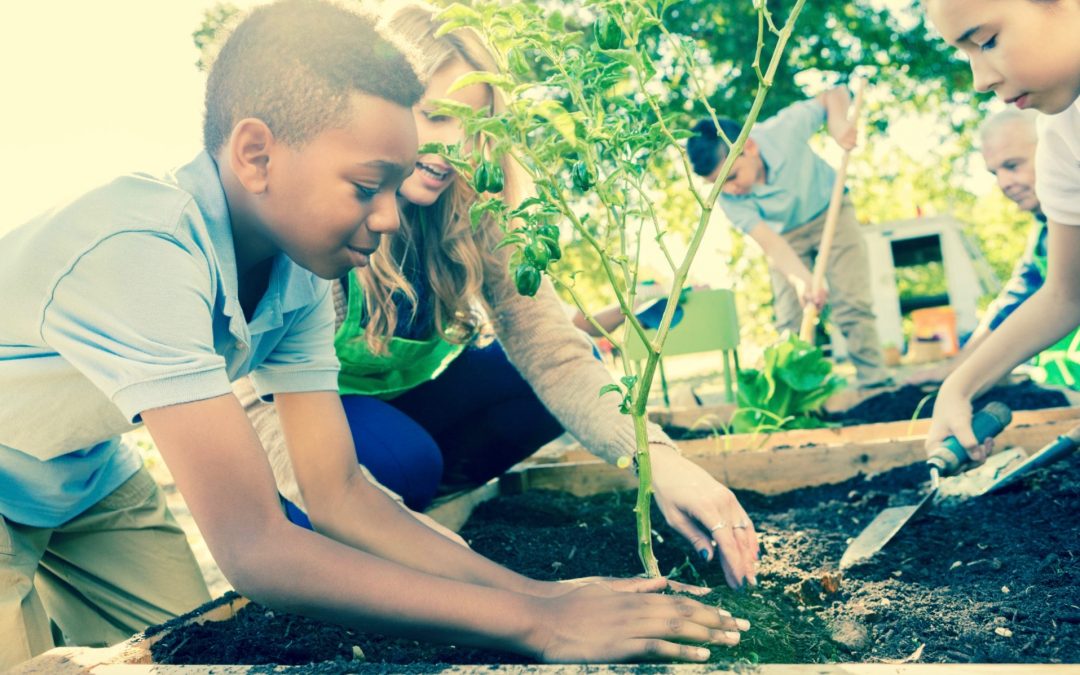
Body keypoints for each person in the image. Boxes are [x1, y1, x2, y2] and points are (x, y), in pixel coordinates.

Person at [0, 1, 748, 669]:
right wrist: (537, 622)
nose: (391, 216)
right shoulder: (142, 248)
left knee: (180, 644)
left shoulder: (296, 276)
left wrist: (542, 593)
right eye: (368, 187)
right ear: (256, 153)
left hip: (87, 474)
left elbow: (342, 493)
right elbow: (257, 547)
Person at [239, 2, 759, 592]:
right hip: (307, 424)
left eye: (473, 123)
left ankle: (431, 505)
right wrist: (395, 532)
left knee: (559, 372)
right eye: (433, 116)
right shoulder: (324, 215)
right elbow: (255, 404)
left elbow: (554, 352)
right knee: (405, 458)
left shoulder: (477, 210)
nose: (453, 146)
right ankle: (377, 512)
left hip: (405, 410)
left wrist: (658, 460)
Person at [923, 0, 1080, 459]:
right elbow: (1066, 294)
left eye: (988, 41)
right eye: (967, 54)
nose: (980, 80)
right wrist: (960, 384)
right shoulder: (1063, 138)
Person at [686, 88, 891, 389]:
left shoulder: (781, 131)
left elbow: (832, 94)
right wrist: (801, 279)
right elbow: (771, 244)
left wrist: (837, 123)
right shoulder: (727, 198)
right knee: (790, 317)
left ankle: (876, 384)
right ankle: (799, 395)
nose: (728, 190)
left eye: (731, 177)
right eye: (716, 184)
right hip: (784, 236)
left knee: (851, 302)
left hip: (830, 211)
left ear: (750, 147)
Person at [907, 109, 1080, 387]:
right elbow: (1009, 307)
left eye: (1012, 166)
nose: (1004, 184)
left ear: (1054, 149)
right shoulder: (1042, 233)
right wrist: (956, 371)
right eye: (994, 173)